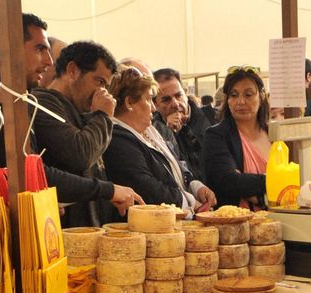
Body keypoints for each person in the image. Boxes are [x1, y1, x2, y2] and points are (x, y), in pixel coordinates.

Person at [0, 14, 130, 293]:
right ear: (10, 48)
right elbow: (29, 172)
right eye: (39, 49)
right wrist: (107, 190)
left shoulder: (13, 102)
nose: (48, 61)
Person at [33, 40, 141, 228]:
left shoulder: (81, 110)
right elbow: (81, 155)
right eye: (99, 82)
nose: (102, 92)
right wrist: (102, 116)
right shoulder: (44, 103)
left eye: (106, 86)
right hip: (64, 233)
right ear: (72, 70)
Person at [102, 67, 216, 213]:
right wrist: (190, 202)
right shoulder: (117, 140)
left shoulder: (150, 131)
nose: (154, 108)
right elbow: (147, 188)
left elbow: (176, 164)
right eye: (149, 99)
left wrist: (195, 186)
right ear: (129, 102)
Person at [203, 66, 272, 208]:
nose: (240, 102)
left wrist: (250, 188)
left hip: (287, 221)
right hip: (236, 223)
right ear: (227, 100)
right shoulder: (216, 136)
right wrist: (274, 181)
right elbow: (230, 182)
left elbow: (295, 178)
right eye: (234, 95)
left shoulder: (274, 133)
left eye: (248, 94)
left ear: (261, 95)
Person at [154, 68, 210, 183]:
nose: (175, 104)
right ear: (155, 104)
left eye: (178, 95)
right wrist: (168, 132)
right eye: (166, 100)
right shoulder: (152, 131)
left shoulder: (211, 117)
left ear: (185, 92)